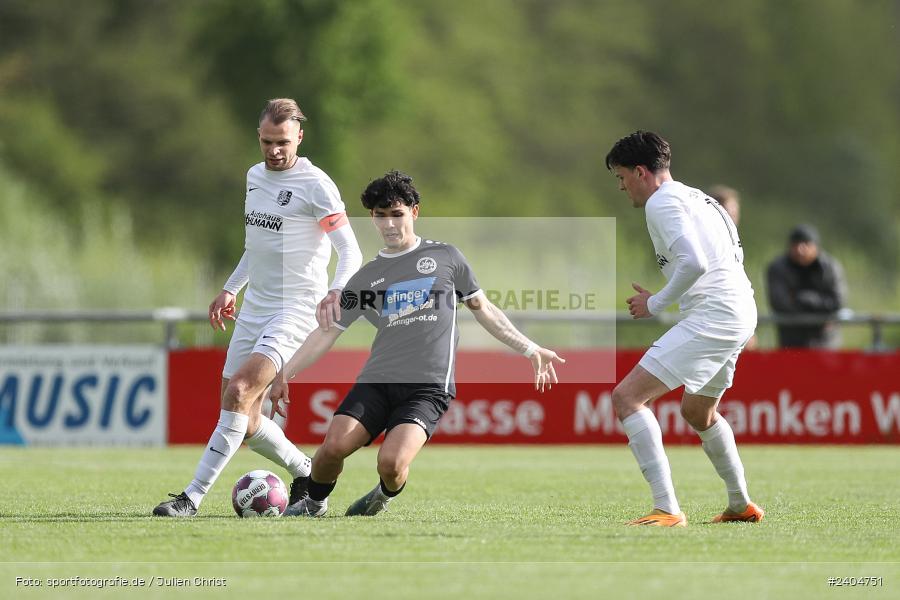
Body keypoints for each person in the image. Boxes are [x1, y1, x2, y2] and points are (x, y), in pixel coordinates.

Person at [268, 170, 566, 518]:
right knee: (332, 449)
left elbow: (484, 310)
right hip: (377, 380)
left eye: (397, 213)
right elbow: (327, 332)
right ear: (373, 219)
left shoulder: (447, 258)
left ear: (415, 212)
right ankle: (314, 505)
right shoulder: (365, 278)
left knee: (391, 464)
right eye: (381, 216)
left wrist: (530, 349)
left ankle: (382, 494)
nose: (390, 224)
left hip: (427, 386)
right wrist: (284, 372)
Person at [153, 98, 363, 517]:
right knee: (242, 419)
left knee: (240, 391)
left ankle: (191, 498)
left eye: (283, 142)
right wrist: (231, 289)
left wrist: (335, 291)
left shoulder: (316, 185)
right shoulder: (254, 177)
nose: (275, 151)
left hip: (297, 309)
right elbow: (257, 245)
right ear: (259, 137)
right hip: (254, 308)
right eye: (267, 141)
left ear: (299, 137)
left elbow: (350, 251)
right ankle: (306, 471)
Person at [605, 131, 763, 526]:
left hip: (716, 314)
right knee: (698, 411)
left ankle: (667, 509)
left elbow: (694, 264)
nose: (621, 186)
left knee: (627, 398)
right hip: (740, 309)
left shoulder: (662, 202)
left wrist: (655, 303)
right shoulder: (700, 197)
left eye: (622, 177)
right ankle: (740, 504)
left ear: (641, 171)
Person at [766, 224, 847, 348]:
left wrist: (808, 300)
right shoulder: (778, 268)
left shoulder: (830, 267)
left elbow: (837, 301)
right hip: (791, 343)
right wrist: (820, 309)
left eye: (805, 244)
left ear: (816, 247)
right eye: (795, 244)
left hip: (826, 343)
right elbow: (779, 303)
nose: (800, 249)